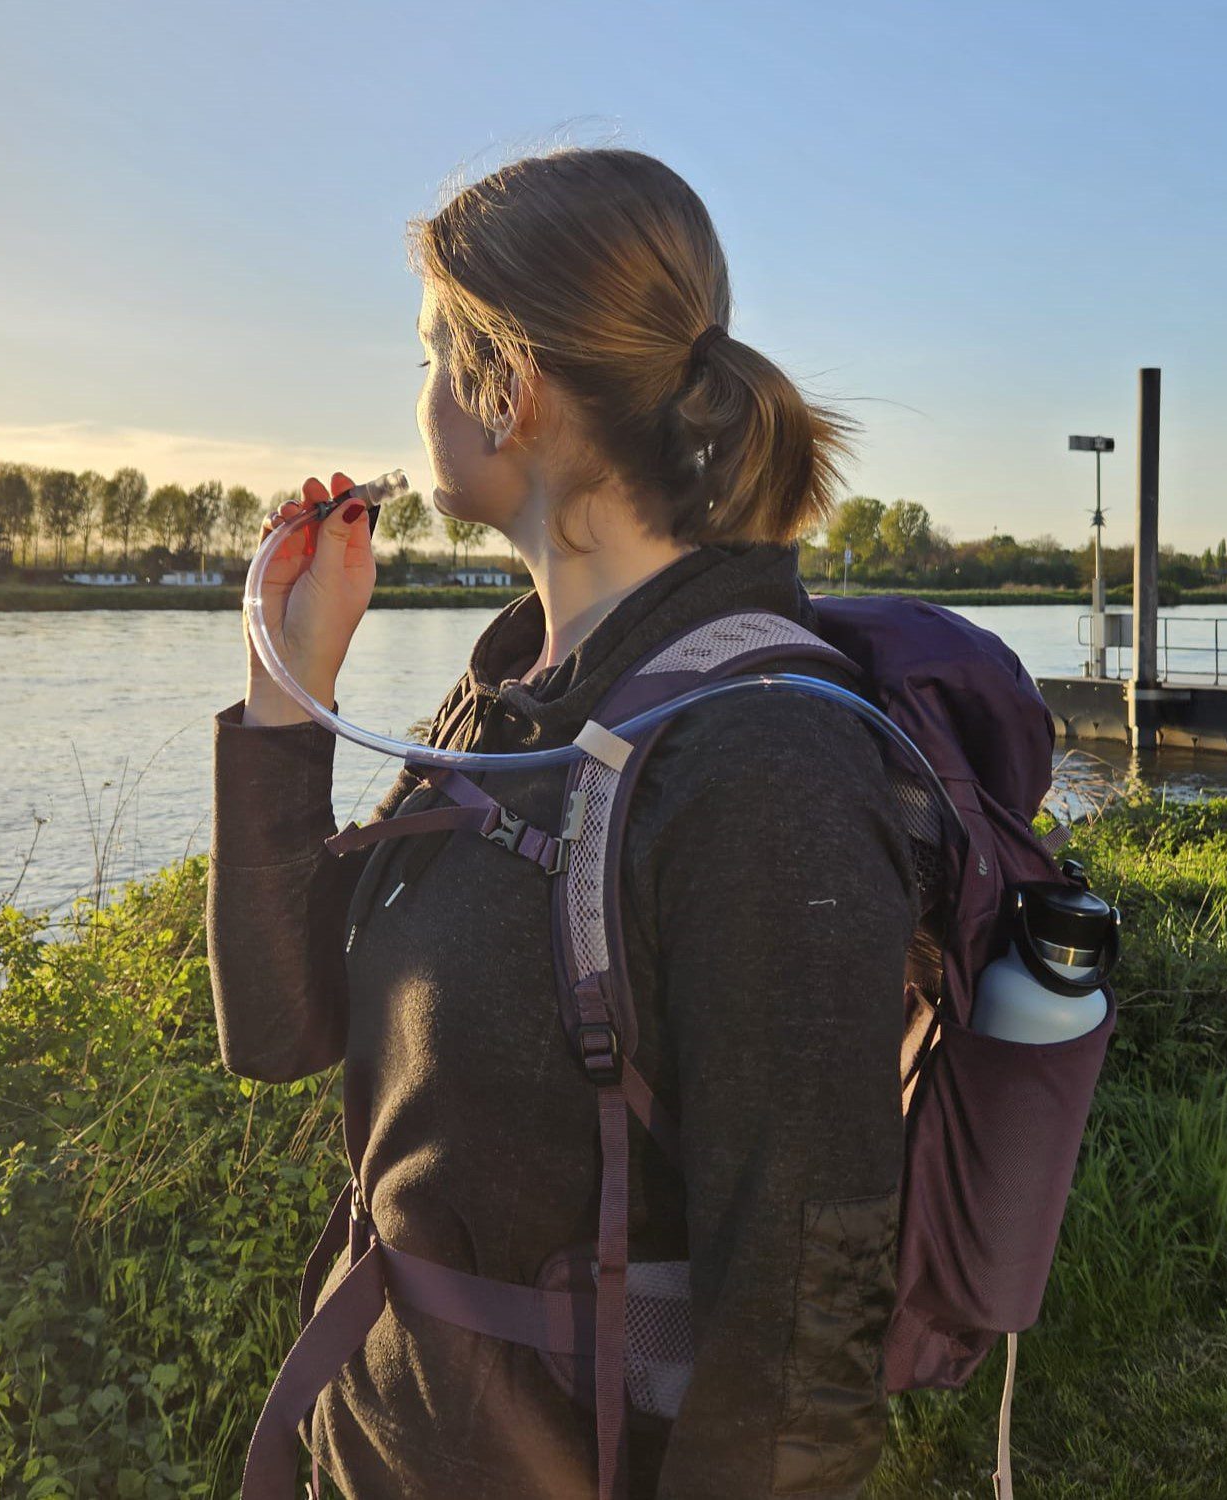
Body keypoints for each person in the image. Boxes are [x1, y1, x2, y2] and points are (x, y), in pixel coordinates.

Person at [207, 146, 918, 1499]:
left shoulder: (764, 763)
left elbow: (801, 1340)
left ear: (506, 388)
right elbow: (278, 1032)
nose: (422, 391)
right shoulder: (517, 694)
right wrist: (287, 687)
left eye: (432, 353)